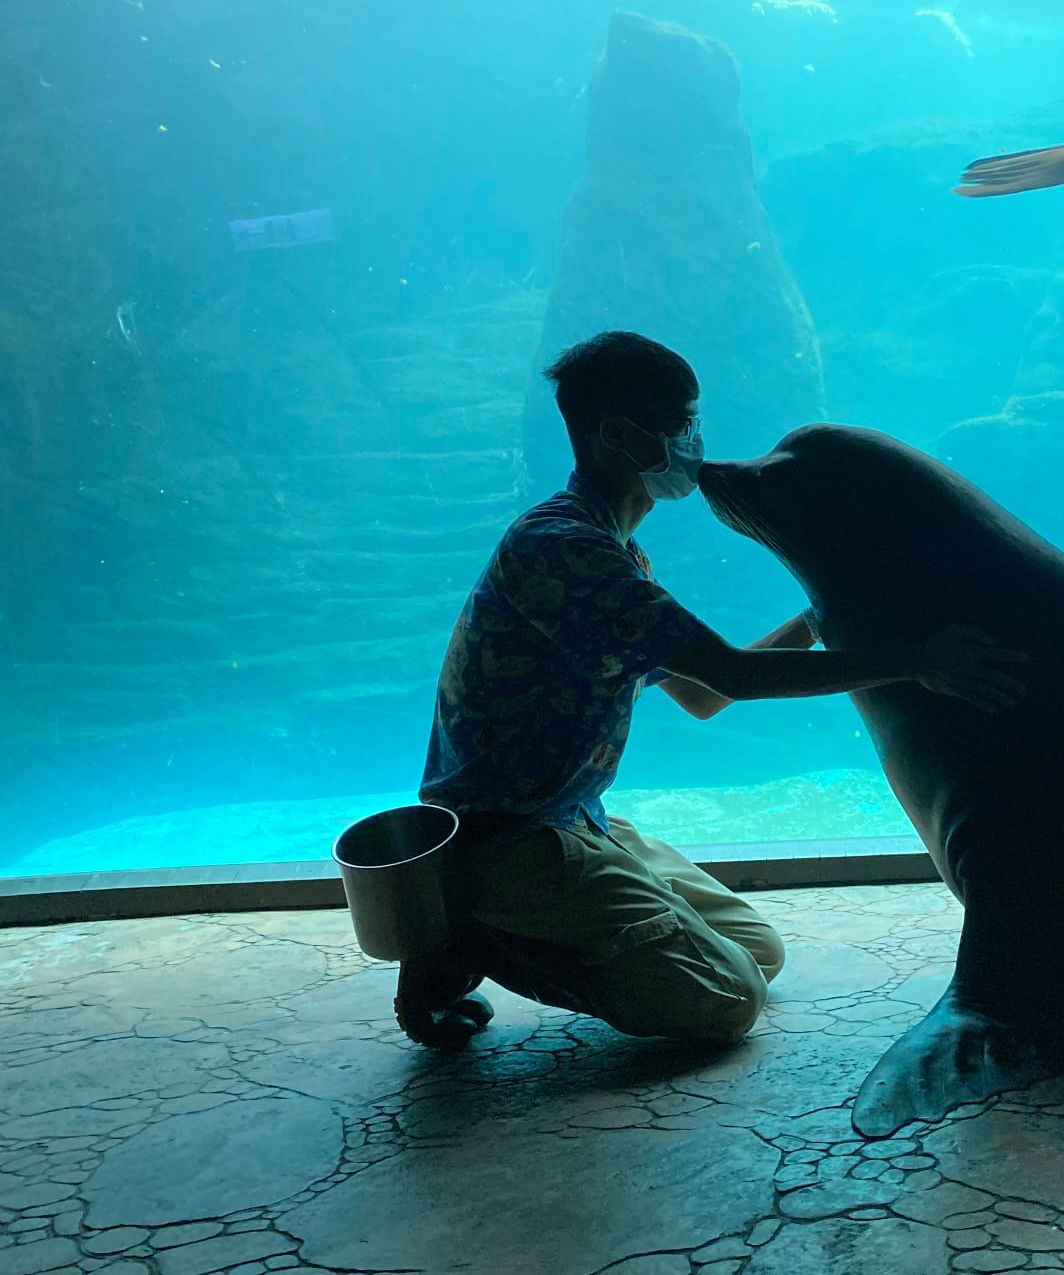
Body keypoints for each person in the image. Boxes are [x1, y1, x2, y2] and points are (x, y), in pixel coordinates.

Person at [398, 330, 1026, 1048]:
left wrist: (823, 614)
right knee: (725, 1003)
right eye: (684, 422)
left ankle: (543, 918)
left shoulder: (613, 550)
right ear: (620, 435)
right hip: (509, 841)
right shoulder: (566, 552)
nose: (697, 442)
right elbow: (733, 676)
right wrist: (918, 660)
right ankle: (469, 939)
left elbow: (703, 696)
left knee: (757, 953)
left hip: (575, 820)